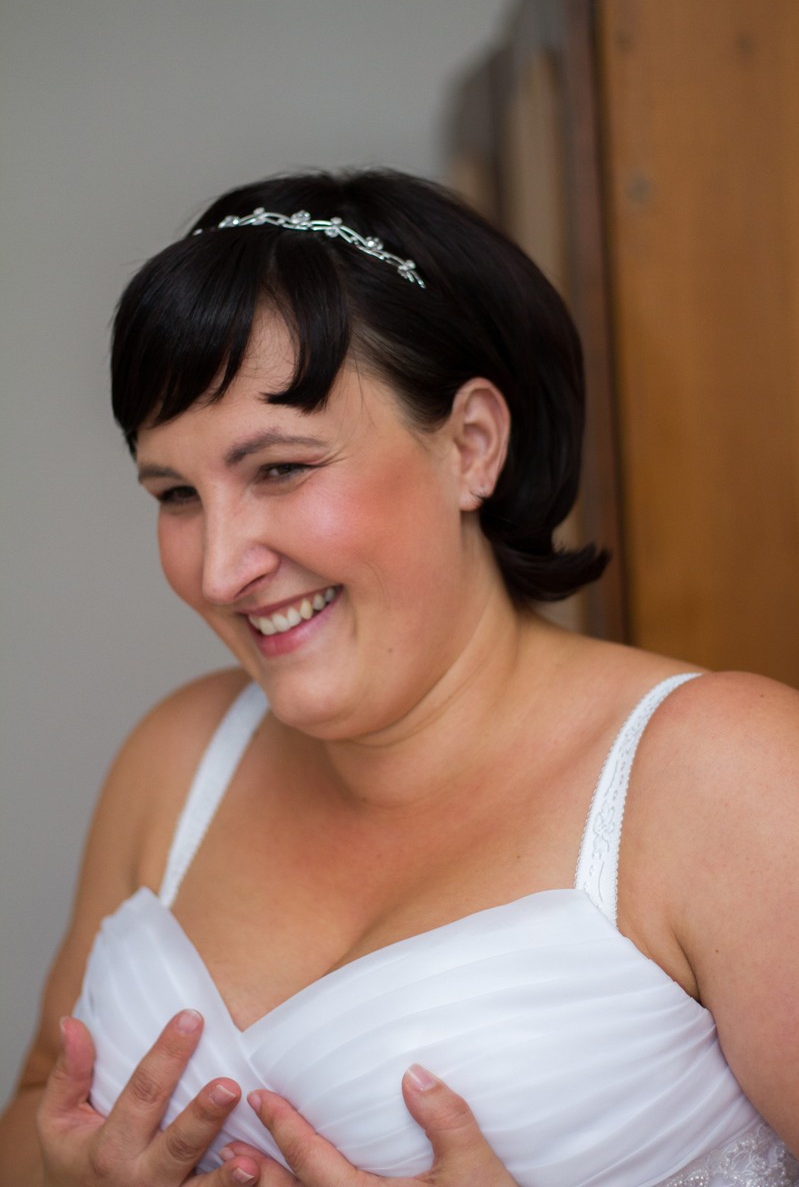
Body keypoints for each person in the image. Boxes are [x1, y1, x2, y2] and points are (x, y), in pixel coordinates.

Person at [2, 168, 799, 1187]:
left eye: (280, 469)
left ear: (471, 446)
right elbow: (37, 1107)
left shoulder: (728, 777)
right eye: (175, 494)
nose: (218, 570)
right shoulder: (177, 757)